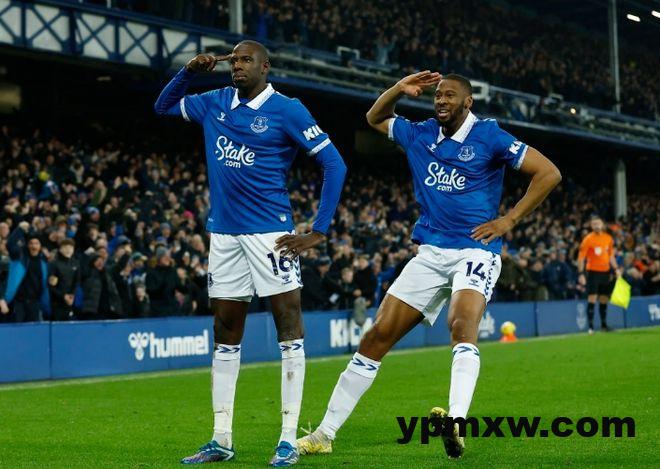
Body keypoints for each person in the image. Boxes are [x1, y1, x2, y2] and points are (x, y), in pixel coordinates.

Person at [297, 72, 561, 459]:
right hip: (431, 252)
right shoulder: (420, 133)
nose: (441, 100)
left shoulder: (489, 135)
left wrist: (510, 220)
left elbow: (548, 172)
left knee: (461, 324)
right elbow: (374, 118)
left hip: (475, 250)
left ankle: (456, 421)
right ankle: (324, 434)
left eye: (450, 95)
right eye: (437, 95)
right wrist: (397, 89)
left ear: (467, 102)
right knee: (375, 337)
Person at [154, 40, 346, 466]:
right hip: (224, 235)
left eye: (246, 60)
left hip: (270, 236)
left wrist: (319, 230)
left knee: (289, 329)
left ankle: (288, 439)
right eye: (234, 60)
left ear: (265, 67)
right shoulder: (215, 101)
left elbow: (335, 164)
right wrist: (189, 72)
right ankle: (221, 438)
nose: (237, 66)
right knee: (225, 332)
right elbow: (163, 107)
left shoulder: (288, 110)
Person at [0, 222, 51, 322]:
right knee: (17, 328)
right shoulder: (19, 256)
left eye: (36, 243)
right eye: (31, 243)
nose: (33, 246)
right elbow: (10, 244)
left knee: (33, 329)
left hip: (35, 302)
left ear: (40, 245)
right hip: (18, 302)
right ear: (27, 245)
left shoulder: (43, 261)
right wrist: (20, 229)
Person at [577, 216, 618, 333]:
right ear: (591, 226)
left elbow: (611, 255)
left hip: (606, 272)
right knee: (592, 298)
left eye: (598, 223)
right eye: (594, 224)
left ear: (602, 224)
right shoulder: (588, 239)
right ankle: (590, 327)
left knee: (604, 298)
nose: (597, 226)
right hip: (593, 272)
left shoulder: (608, 238)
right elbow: (581, 258)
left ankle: (604, 325)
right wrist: (581, 273)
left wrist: (616, 268)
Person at [48, 238, 80, 321]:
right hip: (57, 303)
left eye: (70, 248)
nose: (68, 250)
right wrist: (63, 296)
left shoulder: (76, 263)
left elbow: (76, 281)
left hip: (70, 301)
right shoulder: (54, 264)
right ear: (60, 249)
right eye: (65, 247)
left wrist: (72, 295)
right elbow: (51, 285)